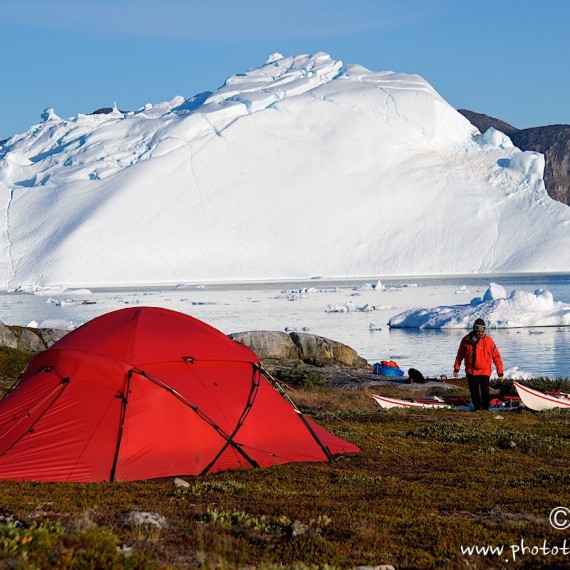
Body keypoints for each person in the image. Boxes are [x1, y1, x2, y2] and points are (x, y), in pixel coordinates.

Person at [453, 318, 504, 411]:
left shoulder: (488, 341)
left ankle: (485, 409)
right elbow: (460, 355)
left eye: (482, 330)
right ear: (474, 329)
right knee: (474, 392)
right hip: (471, 371)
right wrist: (456, 369)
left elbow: (496, 357)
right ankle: (477, 408)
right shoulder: (465, 340)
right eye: (478, 330)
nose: (480, 332)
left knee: (485, 392)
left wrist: (500, 372)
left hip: (484, 371)